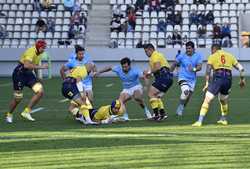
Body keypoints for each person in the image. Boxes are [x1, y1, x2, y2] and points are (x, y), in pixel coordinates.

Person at [192, 44, 246, 127]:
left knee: (207, 99)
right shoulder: (230, 56)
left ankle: (199, 121)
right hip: (228, 79)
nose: (211, 52)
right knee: (223, 100)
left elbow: (208, 71)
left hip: (218, 78)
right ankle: (224, 119)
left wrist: (207, 83)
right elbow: (241, 68)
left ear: (214, 49)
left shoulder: (212, 56)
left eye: (211, 50)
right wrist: (242, 80)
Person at [5, 40, 48, 123]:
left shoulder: (40, 54)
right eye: (43, 48)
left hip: (28, 74)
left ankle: (26, 112)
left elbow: (33, 66)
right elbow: (26, 65)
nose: (44, 50)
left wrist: (37, 77)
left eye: (44, 48)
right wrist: (41, 67)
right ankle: (9, 114)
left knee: (40, 91)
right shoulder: (31, 51)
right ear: (38, 47)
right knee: (18, 98)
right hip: (19, 74)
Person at [60, 45, 95, 121]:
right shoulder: (72, 62)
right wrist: (65, 79)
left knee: (90, 99)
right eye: (80, 54)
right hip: (76, 84)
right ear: (76, 54)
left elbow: (93, 65)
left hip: (87, 82)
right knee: (80, 101)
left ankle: (82, 115)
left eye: (83, 54)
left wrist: (94, 72)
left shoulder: (87, 60)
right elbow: (62, 70)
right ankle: (82, 116)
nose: (82, 55)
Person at [170, 41, 203, 116]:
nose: (188, 50)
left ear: (193, 49)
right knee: (186, 91)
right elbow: (174, 64)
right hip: (182, 77)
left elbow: (200, 67)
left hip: (192, 79)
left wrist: (194, 69)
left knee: (187, 97)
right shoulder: (181, 56)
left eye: (189, 48)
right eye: (187, 48)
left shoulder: (198, 56)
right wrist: (169, 72)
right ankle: (180, 108)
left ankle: (181, 107)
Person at [143, 43, 173, 121]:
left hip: (164, 77)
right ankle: (162, 114)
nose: (146, 53)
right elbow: (155, 71)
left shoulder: (155, 55)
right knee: (156, 96)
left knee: (151, 93)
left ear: (151, 49)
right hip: (167, 78)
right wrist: (147, 75)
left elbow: (157, 67)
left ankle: (156, 115)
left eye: (146, 51)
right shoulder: (155, 56)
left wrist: (148, 72)